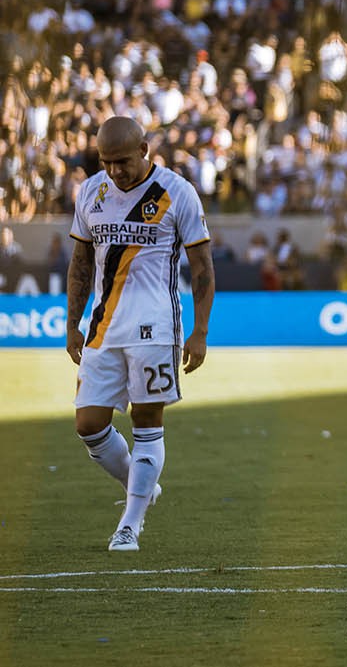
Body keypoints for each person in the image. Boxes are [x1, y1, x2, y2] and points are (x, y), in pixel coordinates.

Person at [66, 117, 214, 552]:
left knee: (146, 423)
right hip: (102, 326)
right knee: (88, 425)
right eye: (106, 162)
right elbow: (80, 263)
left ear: (145, 150)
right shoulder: (91, 191)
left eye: (123, 161)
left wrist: (200, 330)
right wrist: (72, 324)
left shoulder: (178, 192)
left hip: (155, 327)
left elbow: (203, 268)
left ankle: (130, 523)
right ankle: (142, 485)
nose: (115, 171)